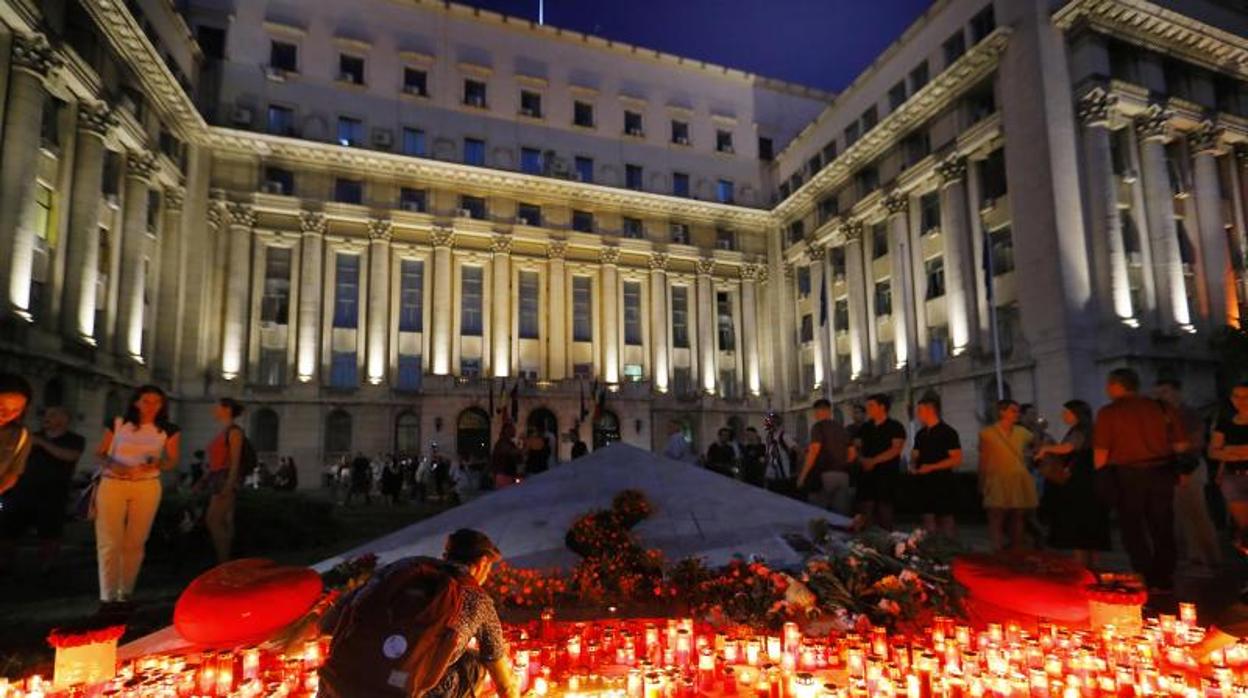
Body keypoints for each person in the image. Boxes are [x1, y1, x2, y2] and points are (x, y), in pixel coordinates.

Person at [320, 529, 520, 698]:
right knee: (474, 664)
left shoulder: (403, 567)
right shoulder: (478, 599)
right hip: (404, 691)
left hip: (342, 679)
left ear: (446, 555)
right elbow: (504, 683)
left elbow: (329, 622)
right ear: (483, 563)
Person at [1094, 367, 1189, 594]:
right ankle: (1164, 576)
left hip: (1127, 475)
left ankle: (1145, 573)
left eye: (1109, 384)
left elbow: (1101, 454)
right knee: (1162, 524)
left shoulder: (1110, 412)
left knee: (1132, 528)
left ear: (1117, 386)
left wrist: (1101, 478)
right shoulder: (1161, 407)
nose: (1107, 389)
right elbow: (1181, 445)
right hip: (1162, 471)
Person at [95, 385, 181, 609]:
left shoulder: (168, 429)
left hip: (146, 485)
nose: (151, 407)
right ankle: (107, 595)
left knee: (135, 541)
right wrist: (113, 464)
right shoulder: (118, 424)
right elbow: (100, 453)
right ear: (136, 402)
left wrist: (158, 463)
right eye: (146, 401)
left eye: (157, 402)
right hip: (113, 483)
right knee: (109, 541)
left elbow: (172, 460)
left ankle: (125, 593)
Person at [0, 406, 85, 575]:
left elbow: (69, 456)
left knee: (50, 533)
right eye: (45, 415)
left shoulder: (74, 439)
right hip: (22, 492)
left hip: (52, 495)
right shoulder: (31, 437)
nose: (46, 418)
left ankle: (48, 566)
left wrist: (42, 444)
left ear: (64, 420)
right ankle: (5, 563)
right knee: (8, 529)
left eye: (52, 415)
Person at [1035, 400, 1110, 568]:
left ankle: (1083, 568)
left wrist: (1047, 449)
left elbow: (1069, 447)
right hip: (1091, 484)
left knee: (1080, 528)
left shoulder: (1081, 431)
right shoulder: (1089, 430)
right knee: (1090, 530)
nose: (1063, 416)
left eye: (1066, 412)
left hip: (1081, 485)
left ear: (1077, 414)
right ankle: (1091, 567)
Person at [1156, 378, 1221, 570]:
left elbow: (1194, 442)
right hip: (1174, 466)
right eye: (1159, 394)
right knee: (1183, 513)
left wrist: (1173, 447)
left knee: (1196, 512)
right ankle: (1194, 555)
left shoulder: (1188, 414)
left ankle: (1210, 556)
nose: (1161, 397)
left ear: (1177, 392)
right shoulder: (1165, 415)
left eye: (1165, 392)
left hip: (1189, 465)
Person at [979, 399, 1037, 551]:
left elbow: (1038, 444)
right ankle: (997, 550)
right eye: (1013, 410)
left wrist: (1031, 454)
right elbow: (984, 460)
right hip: (997, 478)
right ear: (1002, 412)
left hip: (1017, 478)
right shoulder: (988, 434)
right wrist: (982, 481)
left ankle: (1016, 550)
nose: (1017, 414)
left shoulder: (1022, 432)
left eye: (1017, 411)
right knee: (996, 516)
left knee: (1018, 516)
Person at [910, 396, 962, 537]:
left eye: (920, 410)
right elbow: (915, 454)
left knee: (946, 517)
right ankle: (932, 548)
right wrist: (913, 464)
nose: (918, 413)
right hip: (924, 482)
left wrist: (932, 467)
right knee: (927, 517)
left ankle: (949, 548)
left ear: (931, 410)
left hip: (943, 481)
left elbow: (956, 459)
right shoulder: (920, 434)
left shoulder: (948, 432)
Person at [855, 393, 906, 530]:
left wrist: (874, 461)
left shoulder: (895, 427)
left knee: (885, 510)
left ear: (882, 407)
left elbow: (896, 449)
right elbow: (856, 447)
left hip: (886, 475)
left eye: (871, 406)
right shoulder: (865, 428)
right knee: (866, 509)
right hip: (867, 475)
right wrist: (862, 460)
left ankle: (887, 541)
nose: (868, 409)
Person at [204, 398, 245, 565]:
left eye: (218, 407)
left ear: (227, 409)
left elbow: (235, 461)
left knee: (214, 520)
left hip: (224, 478)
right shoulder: (225, 431)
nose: (215, 410)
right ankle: (226, 562)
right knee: (224, 521)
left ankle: (224, 562)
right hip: (218, 477)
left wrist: (229, 484)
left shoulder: (234, 432)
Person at [797, 399, 854, 515]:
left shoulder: (818, 427)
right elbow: (852, 454)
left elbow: (813, 452)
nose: (815, 415)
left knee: (819, 514)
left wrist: (802, 476)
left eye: (815, 412)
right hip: (843, 475)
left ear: (820, 411)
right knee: (840, 514)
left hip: (824, 475)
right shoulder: (842, 429)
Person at [1210, 381, 1248, 556]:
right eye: (1236, 396)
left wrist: (1229, 450)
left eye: (1245, 397)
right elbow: (1213, 451)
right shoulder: (1225, 423)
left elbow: (1221, 450)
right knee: (1244, 527)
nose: (1241, 401)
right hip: (1233, 478)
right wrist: (1234, 453)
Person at [0, 373, 33, 496]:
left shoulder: (21, 435)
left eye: (15, 410)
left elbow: (13, 472)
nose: (7, 415)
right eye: (1, 407)